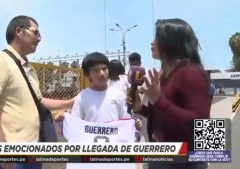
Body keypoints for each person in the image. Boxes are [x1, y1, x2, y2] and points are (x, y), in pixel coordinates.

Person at [0, 15, 74, 169]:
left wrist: (70, 102)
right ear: (19, 31)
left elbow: (39, 100)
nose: (39, 38)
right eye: (35, 33)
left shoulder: (29, 68)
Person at [134, 18, 211, 169]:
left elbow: (201, 126)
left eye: (157, 38)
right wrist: (141, 109)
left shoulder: (191, 73)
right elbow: (164, 116)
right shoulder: (164, 75)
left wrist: (158, 100)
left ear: (171, 43)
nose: (151, 42)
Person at [64, 52, 142, 169]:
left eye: (104, 69)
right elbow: (76, 127)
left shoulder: (118, 95)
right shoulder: (82, 97)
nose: (102, 73)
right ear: (87, 75)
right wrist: (65, 121)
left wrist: (134, 124)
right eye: (96, 70)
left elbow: (125, 122)